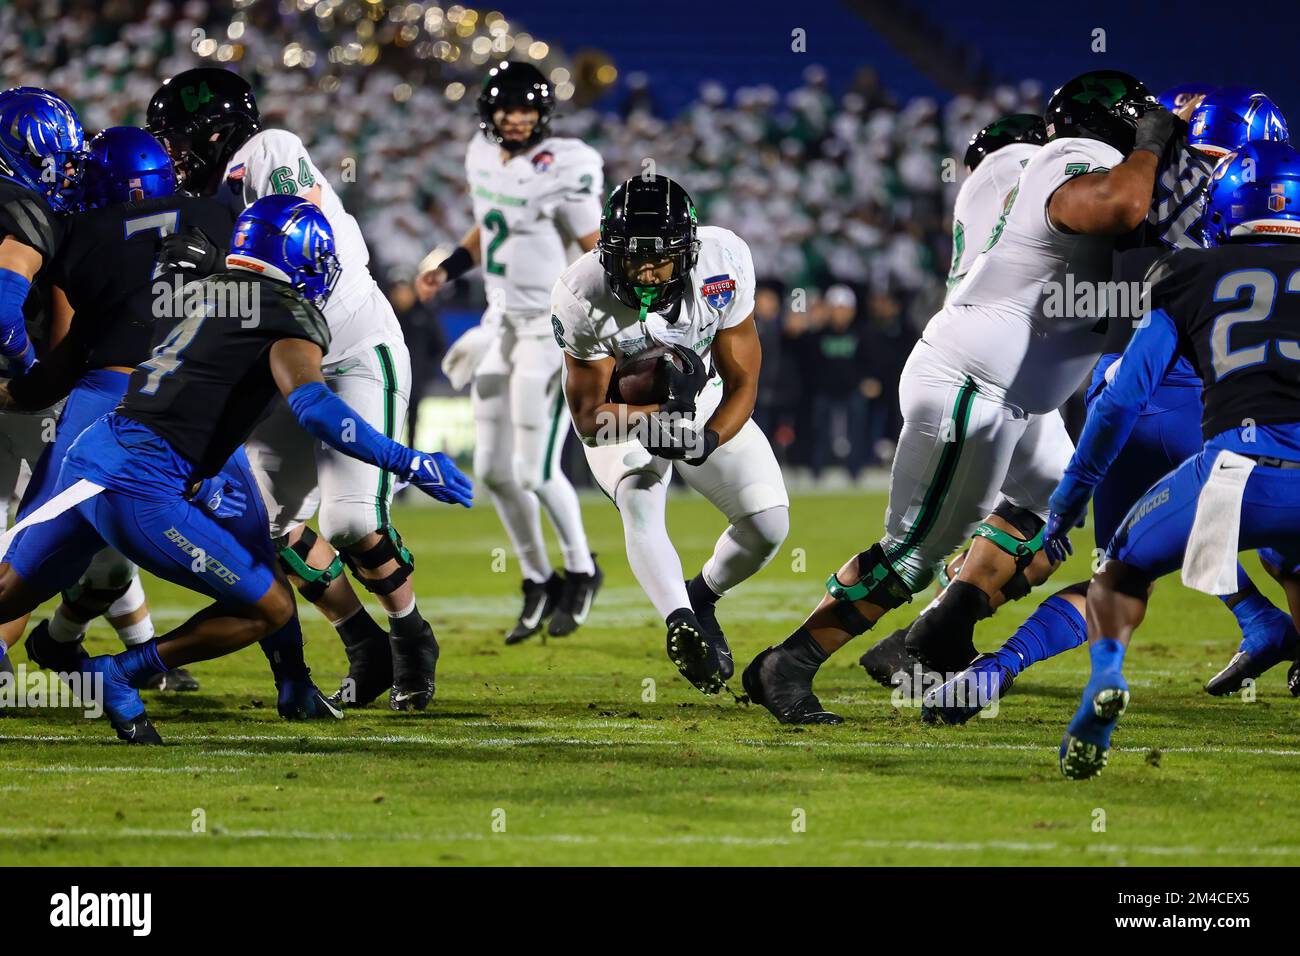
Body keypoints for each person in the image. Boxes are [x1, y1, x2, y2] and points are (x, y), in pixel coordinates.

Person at [745, 71, 1180, 724]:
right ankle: (790, 662)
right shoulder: (1065, 157)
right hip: (969, 385)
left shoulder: (1097, 182)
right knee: (915, 550)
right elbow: (1120, 206)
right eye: (1142, 124)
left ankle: (938, 630)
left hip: (1012, 397)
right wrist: (1150, 143)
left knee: (1055, 502)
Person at [0, 196, 473, 742]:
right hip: (144, 480)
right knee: (267, 604)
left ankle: (293, 687)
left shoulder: (205, 290)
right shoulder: (286, 310)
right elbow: (314, 407)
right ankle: (119, 673)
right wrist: (406, 459)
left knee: (11, 589)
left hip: (94, 451)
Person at [146, 68, 439, 710]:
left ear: (217, 132)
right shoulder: (200, 199)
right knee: (271, 526)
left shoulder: (268, 151)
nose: (170, 156)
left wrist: (211, 266)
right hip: (282, 359)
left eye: (176, 140)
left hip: (353, 348)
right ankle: (363, 643)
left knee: (353, 518)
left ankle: (411, 635)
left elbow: (287, 245)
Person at [1044, 142, 1300, 778]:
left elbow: (1121, 400)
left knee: (1120, 570)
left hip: (1240, 471)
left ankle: (1104, 683)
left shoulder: (1188, 273)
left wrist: (1073, 494)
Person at [552, 174, 789, 695]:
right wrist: (654, 413)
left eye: (658, 258)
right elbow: (590, 421)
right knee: (640, 493)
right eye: (632, 258)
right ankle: (680, 622)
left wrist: (706, 439)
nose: (644, 272)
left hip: (697, 397)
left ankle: (700, 598)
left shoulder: (724, 261)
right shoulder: (580, 290)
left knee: (768, 524)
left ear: (687, 252)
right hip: (625, 409)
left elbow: (744, 380)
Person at [415, 61, 603, 643]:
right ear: (489, 115)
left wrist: (602, 331)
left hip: (549, 327)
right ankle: (537, 578)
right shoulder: (481, 155)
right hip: (498, 320)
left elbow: (595, 249)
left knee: (535, 468)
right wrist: (451, 266)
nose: (517, 121)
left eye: (527, 111)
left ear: (544, 114)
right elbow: (487, 227)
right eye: (507, 111)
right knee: (495, 472)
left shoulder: (566, 164)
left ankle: (581, 568)